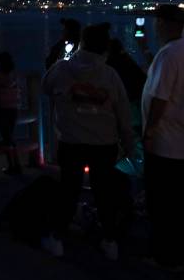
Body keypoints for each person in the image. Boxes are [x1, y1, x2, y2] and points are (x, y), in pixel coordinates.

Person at [42, 23, 136, 262]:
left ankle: (57, 239)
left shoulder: (62, 69)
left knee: (68, 190)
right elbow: (123, 113)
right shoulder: (110, 75)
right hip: (104, 143)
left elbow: (45, 86)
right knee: (105, 193)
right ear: (104, 47)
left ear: (81, 43)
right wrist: (129, 143)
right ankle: (110, 241)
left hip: (71, 142)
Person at [140, 4, 184, 270]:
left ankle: (166, 257)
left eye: (157, 21)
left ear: (164, 24)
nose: (155, 26)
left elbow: (160, 99)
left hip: (166, 145)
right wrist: (146, 51)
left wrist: (149, 131)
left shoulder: (168, 56)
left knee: (163, 205)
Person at [0, 51, 22, 175]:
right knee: (10, 135)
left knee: (7, 137)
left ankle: (13, 165)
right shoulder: (14, 74)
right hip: (14, 107)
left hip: (1, 108)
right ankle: (16, 164)